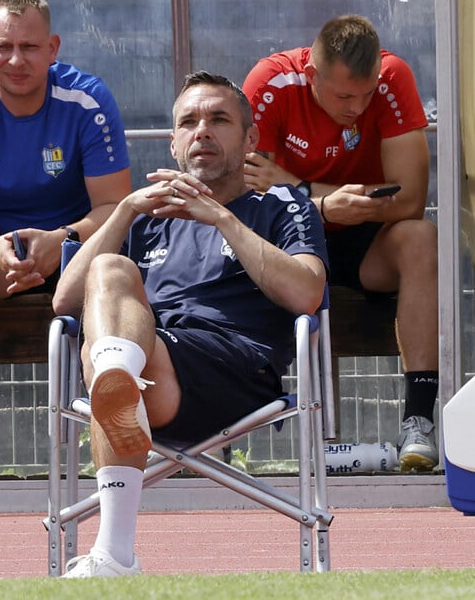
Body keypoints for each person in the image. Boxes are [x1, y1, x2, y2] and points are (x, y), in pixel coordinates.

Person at [52, 71, 328, 577]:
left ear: (250, 140)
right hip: (148, 363)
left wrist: (222, 219)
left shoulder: (281, 206)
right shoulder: (145, 217)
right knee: (109, 272)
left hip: (235, 370)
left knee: (113, 358)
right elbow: (64, 301)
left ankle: (114, 553)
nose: (202, 131)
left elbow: (308, 292)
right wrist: (125, 210)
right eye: (189, 122)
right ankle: (117, 382)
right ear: (173, 142)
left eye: (219, 120)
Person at [241, 14, 438, 472]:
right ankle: (218, 433)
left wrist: (296, 185)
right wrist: (320, 202)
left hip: (365, 241)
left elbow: (408, 201)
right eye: (345, 95)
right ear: (312, 75)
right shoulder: (270, 81)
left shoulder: (394, 76)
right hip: (288, 240)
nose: (357, 106)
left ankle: (418, 420)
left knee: (421, 238)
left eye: (367, 94)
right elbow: (250, 199)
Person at [0, 0, 132, 301]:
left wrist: (63, 239)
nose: (16, 60)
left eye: (30, 47)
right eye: (3, 47)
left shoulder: (89, 100)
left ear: (52, 48)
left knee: (114, 269)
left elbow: (114, 208)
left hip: (72, 243)